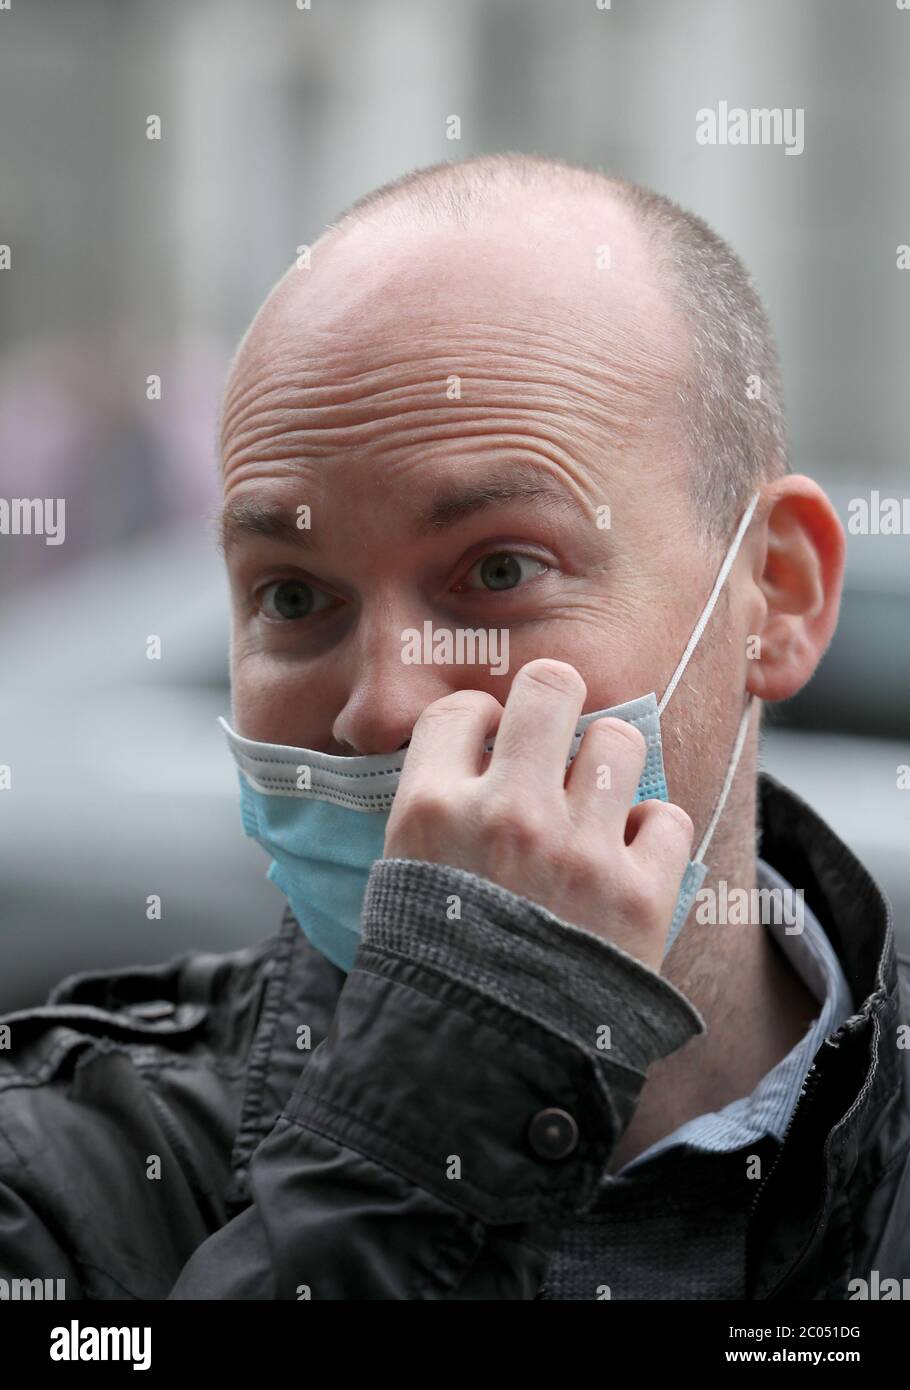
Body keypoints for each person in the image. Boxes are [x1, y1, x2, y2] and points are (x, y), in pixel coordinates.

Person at [1, 153, 906, 1300]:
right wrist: (443, 1102)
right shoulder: (54, 1184)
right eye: (291, 595)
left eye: (499, 567)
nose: (382, 703)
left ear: (771, 596)